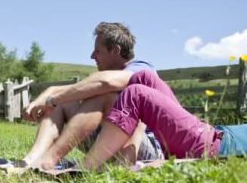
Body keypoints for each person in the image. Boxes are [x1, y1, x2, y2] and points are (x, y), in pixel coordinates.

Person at [20, 22, 163, 170]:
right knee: (64, 102)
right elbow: (64, 91)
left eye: (98, 51)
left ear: (115, 50)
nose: (92, 56)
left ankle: (52, 161)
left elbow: (106, 82)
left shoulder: (143, 69)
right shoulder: (108, 76)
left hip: (142, 149)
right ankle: (31, 160)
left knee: (106, 97)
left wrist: (51, 99)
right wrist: (47, 97)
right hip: (108, 141)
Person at [81, 69, 247, 170]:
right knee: (145, 77)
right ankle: (123, 163)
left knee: (136, 94)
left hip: (211, 145)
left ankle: (87, 168)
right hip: (215, 132)